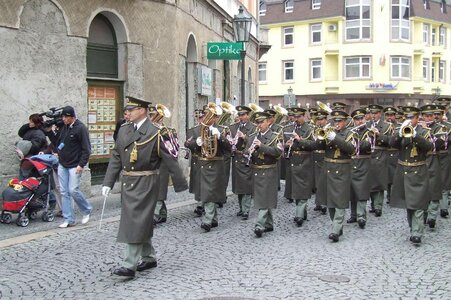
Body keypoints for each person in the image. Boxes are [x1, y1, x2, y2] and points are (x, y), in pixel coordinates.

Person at [102, 96, 188, 278]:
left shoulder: (156, 132)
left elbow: (170, 159)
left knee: (135, 220)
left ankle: (129, 264)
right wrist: (108, 182)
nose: (127, 113)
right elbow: (117, 157)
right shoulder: (125, 130)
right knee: (140, 220)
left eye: (131, 109)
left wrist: (180, 183)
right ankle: (148, 257)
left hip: (146, 182)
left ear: (142, 110)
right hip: (128, 183)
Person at [184, 103, 231, 232]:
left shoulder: (222, 129)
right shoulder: (197, 129)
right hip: (202, 163)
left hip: (216, 163)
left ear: (216, 118)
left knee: (210, 191)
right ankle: (214, 218)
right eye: (206, 115)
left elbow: (229, 148)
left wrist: (220, 137)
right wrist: (196, 143)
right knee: (207, 191)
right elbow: (187, 144)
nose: (209, 118)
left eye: (212, 116)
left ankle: (207, 220)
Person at [390, 106, 433, 244]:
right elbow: (391, 144)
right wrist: (400, 134)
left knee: (418, 204)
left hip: (418, 170)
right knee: (408, 204)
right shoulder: (401, 131)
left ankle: (417, 233)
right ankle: (412, 228)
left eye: (411, 118)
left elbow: (428, 146)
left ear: (417, 118)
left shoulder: (424, 131)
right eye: (407, 118)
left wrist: (415, 135)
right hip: (403, 171)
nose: (409, 121)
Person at [47, 106, 92, 228]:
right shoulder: (64, 127)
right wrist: (50, 132)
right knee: (64, 192)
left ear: (72, 117)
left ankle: (87, 210)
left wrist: (81, 165)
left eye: (65, 117)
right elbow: (58, 141)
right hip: (63, 163)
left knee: (73, 190)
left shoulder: (81, 128)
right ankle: (69, 219)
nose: (63, 119)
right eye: (63, 117)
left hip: (75, 165)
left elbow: (87, 149)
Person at [315, 110, 355, 242]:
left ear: (345, 122)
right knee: (330, 201)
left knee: (340, 201)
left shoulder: (350, 133)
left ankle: (335, 230)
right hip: (328, 169)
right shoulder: (329, 132)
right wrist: (321, 137)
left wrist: (335, 138)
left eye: (340, 121)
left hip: (342, 169)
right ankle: (337, 226)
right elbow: (319, 146)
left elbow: (351, 149)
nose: (337, 124)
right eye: (335, 121)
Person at [244, 111, 282, 237]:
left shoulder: (275, 136)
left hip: (268, 170)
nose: (259, 125)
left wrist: (261, 147)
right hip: (256, 171)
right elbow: (244, 151)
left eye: (262, 122)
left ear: (268, 122)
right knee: (262, 198)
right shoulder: (252, 136)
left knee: (263, 199)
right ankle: (269, 224)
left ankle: (259, 225)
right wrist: (248, 152)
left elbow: (277, 152)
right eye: (258, 122)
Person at [283, 107, 315, 227]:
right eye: (294, 117)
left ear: (303, 116)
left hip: (305, 161)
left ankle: (299, 215)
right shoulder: (288, 129)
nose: (296, 119)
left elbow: (314, 145)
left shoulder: (310, 129)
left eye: (298, 117)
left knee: (303, 188)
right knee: (296, 190)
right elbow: (281, 146)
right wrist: (286, 145)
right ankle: (303, 211)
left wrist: (300, 140)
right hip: (293, 161)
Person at [228, 105, 257, 220]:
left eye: (243, 115)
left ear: (248, 115)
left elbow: (255, 141)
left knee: (247, 184)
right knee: (238, 185)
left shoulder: (254, 127)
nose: (241, 117)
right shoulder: (233, 127)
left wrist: (245, 137)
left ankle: (246, 209)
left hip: (246, 158)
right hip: (236, 158)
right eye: (239, 115)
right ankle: (241, 208)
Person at [421, 104, 446, 229]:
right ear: (422, 117)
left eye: (431, 115)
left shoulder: (439, 128)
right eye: (426, 116)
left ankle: (432, 216)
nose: (429, 118)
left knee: (435, 189)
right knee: (423, 189)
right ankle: (424, 214)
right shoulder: (417, 129)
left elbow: (437, 144)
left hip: (434, 159)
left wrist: (427, 130)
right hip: (421, 160)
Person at [348, 108, 372, 229]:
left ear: (365, 119)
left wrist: (354, 140)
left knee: (361, 190)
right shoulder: (349, 132)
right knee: (352, 189)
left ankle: (361, 215)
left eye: (361, 119)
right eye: (356, 119)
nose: (359, 121)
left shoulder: (369, 132)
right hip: (351, 162)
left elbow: (367, 145)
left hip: (363, 162)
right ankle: (353, 215)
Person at [367, 104, 393, 217]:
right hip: (369, 155)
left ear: (380, 114)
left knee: (379, 181)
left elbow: (391, 141)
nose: (374, 115)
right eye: (372, 113)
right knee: (371, 182)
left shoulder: (387, 126)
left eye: (376, 113)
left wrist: (379, 134)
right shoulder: (366, 125)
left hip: (381, 155)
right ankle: (373, 205)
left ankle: (378, 206)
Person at [433, 104, 451, 218]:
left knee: (444, 182)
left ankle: (444, 208)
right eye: (434, 114)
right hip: (431, 157)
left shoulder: (448, 126)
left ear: (442, 114)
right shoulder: (428, 127)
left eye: (438, 114)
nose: (435, 116)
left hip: (444, 156)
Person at [312, 110, 329, 214]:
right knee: (317, 181)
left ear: (326, 120)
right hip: (316, 156)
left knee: (324, 182)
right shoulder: (315, 129)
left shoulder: (329, 130)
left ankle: (324, 203)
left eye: (322, 119)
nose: (320, 122)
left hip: (325, 156)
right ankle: (318, 203)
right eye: (318, 119)